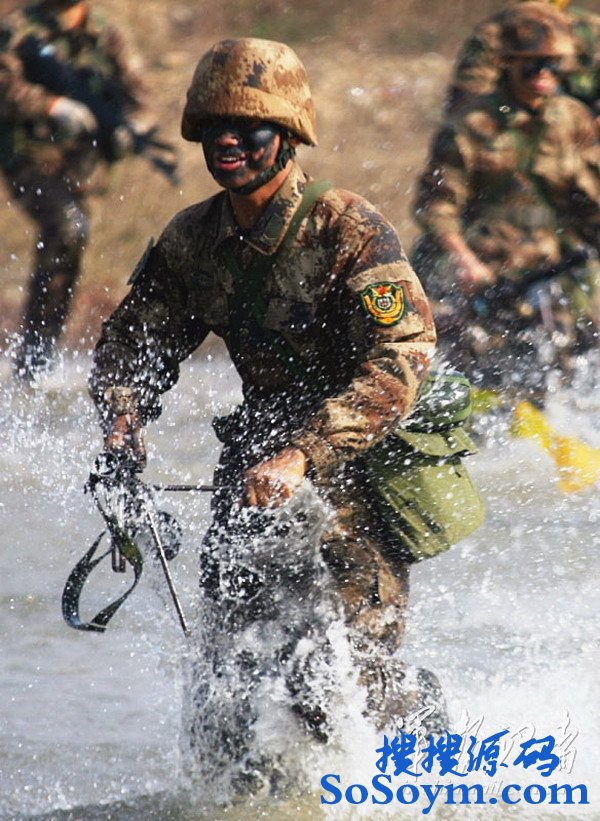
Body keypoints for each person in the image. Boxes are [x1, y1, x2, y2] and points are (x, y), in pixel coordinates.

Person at [88, 37, 443, 775]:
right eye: (213, 128)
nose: (228, 143)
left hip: (356, 475)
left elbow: (404, 354)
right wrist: (123, 425)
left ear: (287, 136)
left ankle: (428, 747)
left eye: (247, 129)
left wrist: (302, 454)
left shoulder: (346, 227)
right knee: (224, 686)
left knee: (343, 686)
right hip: (252, 473)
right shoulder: (192, 240)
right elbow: (132, 346)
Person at [411, 2, 600, 402]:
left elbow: (588, 198)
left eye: (554, 65)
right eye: (534, 65)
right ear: (510, 65)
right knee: (468, 358)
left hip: (551, 266)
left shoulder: (572, 119)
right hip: (484, 264)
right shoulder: (472, 124)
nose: (544, 75)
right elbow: (437, 204)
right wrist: (464, 260)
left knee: (569, 358)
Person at [0, 0, 164, 380]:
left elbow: (140, 99)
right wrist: (51, 105)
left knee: (70, 245)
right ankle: (35, 357)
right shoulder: (19, 29)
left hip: (83, 169)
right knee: (67, 228)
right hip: (30, 160)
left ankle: (39, 355)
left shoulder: (108, 34)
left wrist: (130, 130)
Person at [446, 0, 600, 122]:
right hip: (511, 130)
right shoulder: (495, 32)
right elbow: (470, 99)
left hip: (581, 135)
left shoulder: (590, 29)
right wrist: (511, 115)